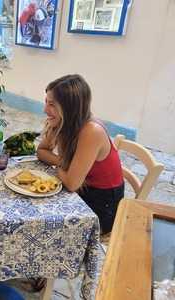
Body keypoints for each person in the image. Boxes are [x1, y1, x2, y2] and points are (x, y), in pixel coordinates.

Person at [37, 74, 124, 234]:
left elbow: (71, 183)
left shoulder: (92, 131)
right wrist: (63, 162)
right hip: (82, 190)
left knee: (46, 227)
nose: (45, 109)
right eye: (46, 102)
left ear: (69, 108)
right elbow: (41, 151)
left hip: (102, 204)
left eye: (51, 104)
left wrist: (59, 166)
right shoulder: (63, 122)